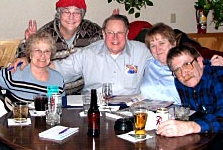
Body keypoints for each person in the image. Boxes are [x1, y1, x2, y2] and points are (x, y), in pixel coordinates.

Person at [12, 14, 152, 95]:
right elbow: (59, 68)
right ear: (103, 34)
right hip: (96, 110)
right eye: (110, 33)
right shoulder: (88, 53)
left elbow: (162, 64)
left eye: (120, 33)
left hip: (131, 112)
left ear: (127, 34)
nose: (115, 38)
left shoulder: (142, 52)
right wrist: (30, 60)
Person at [15, 0, 103, 94]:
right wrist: (28, 45)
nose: (71, 17)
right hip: (51, 92)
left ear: (82, 16)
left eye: (76, 13)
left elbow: (108, 42)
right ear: (59, 14)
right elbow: (22, 59)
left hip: (82, 93)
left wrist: (113, 26)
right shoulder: (46, 33)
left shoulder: (91, 30)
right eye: (66, 12)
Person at [157, 45, 223, 150]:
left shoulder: (219, 75)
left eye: (187, 65)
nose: (183, 73)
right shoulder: (180, 82)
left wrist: (191, 126)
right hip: (207, 136)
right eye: (177, 70)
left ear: (200, 62)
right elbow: (194, 112)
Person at [140, 23, 223, 105]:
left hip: (177, 114)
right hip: (148, 113)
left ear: (173, 44)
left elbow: (205, 65)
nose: (157, 49)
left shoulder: (185, 63)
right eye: (153, 45)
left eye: (162, 43)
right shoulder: (147, 62)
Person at [0, 31, 65, 111]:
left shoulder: (58, 79)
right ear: (30, 54)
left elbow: (61, 108)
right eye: (38, 51)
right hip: (17, 121)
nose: (42, 55)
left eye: (46, 51)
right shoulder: (15, 72)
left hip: (47, 122)